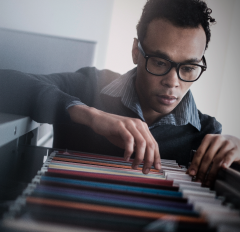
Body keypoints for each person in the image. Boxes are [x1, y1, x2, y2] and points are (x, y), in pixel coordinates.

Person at [0, 0, 239, 187]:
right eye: (159, 62)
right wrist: (90, 115)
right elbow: (6, 83)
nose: (172, 82)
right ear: (136, 51)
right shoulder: (89, 85)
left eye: (188, 68)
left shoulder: (205, 135)